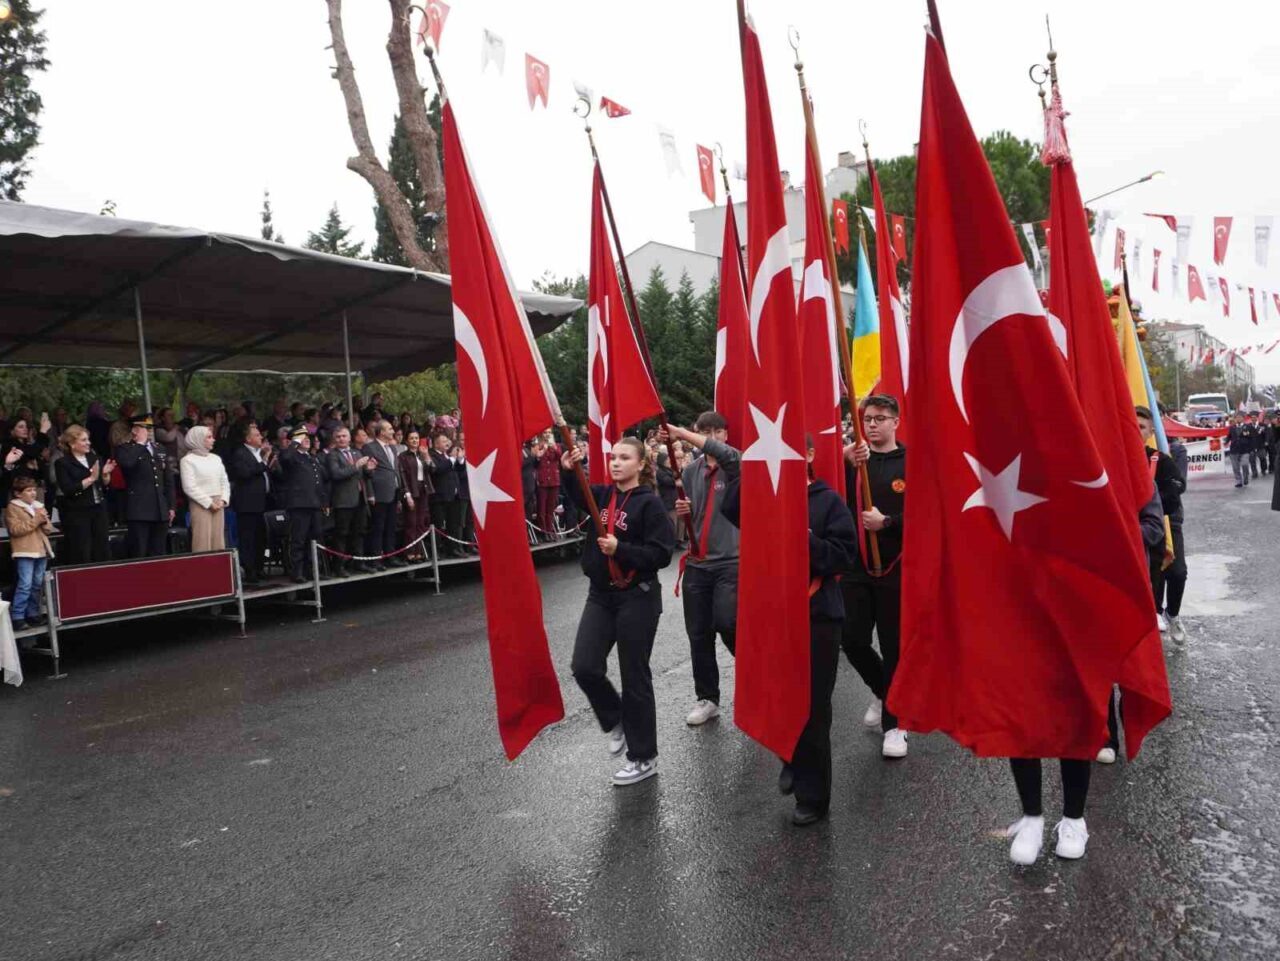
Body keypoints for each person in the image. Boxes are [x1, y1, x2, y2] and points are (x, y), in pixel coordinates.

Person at [721, 434, 856, 826]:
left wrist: (804, 540)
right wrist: (758, 463)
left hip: (816, 615)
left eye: (795, 448)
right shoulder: (765, 496)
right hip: (770, 614)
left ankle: (813, 795)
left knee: (813, 708)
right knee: (776, 696)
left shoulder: (828, 502)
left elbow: (845, 557)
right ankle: (791, 756)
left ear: (811, 455)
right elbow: (731, 505)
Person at [560, 438, 674, 786]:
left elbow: (661, 554)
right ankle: (616, 718)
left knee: (634, 677)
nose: (615, 463)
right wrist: (568, 470)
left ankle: (643, 757)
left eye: (624, 458)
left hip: (636, 596)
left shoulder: (650, 505)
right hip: (601, 595)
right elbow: (578, 494)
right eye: (612, 457)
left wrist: (620, 549)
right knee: (584, 665)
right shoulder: (602, 495)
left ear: (640, 464)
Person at [660, 414, 740, 727]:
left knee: (727, 622)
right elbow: (697, 513)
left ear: (725, 432)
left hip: (730, 560)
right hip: (697, 561)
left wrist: (680, 432)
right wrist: (687, 511)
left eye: (717, 430)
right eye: (705, 431)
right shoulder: (690, 471)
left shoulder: (735, 464)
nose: (712, 436)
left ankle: (755, 674)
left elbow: (726, 454)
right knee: (698, 633)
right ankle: (708, 697)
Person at [841, 394, 909, 758]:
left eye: (880, 418)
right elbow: (822, 490)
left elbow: (927, 515)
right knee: (851, 638)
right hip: (857, 567)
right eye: (867, 418)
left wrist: (888, 523)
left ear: (896, 422)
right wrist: (844, 461)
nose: (871, 424)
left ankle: (895, 725)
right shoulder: (854, 461)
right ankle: (885, 690)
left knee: (894, 645)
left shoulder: (909, 461)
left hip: (896, 567)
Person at [1137, 407, 1188, 644]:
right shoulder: (1114, 457)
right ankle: (1153, 618)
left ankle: (1173, 614)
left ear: (1150, 432)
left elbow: (1177, 486)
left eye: (1142, 427)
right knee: (1150, 575)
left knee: (1177, 573)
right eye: (1132, 425)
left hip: (1166, 520)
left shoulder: (1160, 459)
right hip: (1138, 526)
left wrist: (1153, 501)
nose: (1136, 431)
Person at [114, 413, 175, 558]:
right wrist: (140, 444)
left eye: (150, 428)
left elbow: (167, 479)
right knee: (140, 551)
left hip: (160, 508)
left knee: (159, 551)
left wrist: (171, 506)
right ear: (134, 430)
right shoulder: (126, 449)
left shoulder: (159, 448)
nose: (148, 431)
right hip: (139, 509)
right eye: (144, 428)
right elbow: (127, 464)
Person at [54, 425, 113, 564]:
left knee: (102, 547)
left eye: (88, 439)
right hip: (78, 511)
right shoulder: (62, 463)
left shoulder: (95, 458)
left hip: (98, 508)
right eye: (84, 440)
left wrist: (105, 475)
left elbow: (104, 484)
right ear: (72, 444)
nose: (89, 443)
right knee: (82, 549)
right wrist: (91, 478)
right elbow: (68, 489)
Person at [277, 425, 328, 583]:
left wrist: (324, 502)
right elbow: (284, 458)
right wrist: (295, 442)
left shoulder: (311, 458)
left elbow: (319, 482)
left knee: (314, 538)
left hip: (314, 504)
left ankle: (312, 569)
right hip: (299, 505)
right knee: (299, 539)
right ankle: (297, 571)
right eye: (302, 438)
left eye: (307, 438)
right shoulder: (292, 457)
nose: (307, 440)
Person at [5, 476, 55, 630]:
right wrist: (36, 520)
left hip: (40, 550)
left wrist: (44, 520)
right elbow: (15, 530)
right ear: (18, 494)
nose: (33, 493)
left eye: (34, 489)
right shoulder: (12, 508)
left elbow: (48, 530)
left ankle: (33, 614)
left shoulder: (38, 506)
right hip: (24, 551)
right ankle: (18, 616)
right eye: (28, 490)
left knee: (37, 584)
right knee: (25, 584)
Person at [227, 423, 274, 584]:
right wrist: (264, 461)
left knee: (260, 537)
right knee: (248, 538)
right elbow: (244, 473)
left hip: (261, 502)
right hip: (247, 503)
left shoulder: (257, 453)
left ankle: (259, 567)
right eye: (257, 435)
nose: (261, 437)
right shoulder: (240, 453)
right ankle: (250, 570)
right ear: (248, 438)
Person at [324, 427, 374, 576]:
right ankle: (339, 566)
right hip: (343, 501)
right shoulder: (332, 455)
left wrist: (369, 469)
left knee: (359, 531)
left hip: (359, 498)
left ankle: (359, 562)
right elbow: (336, 474)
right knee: (342, 534)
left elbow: (363, 475)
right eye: (338, 436)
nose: (341, 439)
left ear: (349, 438)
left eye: (344, 436)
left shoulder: (356, 452)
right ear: (334, 439)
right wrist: (356, 466)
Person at [362, 419, 407, 568]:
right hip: (379, 493)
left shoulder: (393, 448)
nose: (392, 431)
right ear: (381, 432)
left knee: (391, 526)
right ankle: (376, 558)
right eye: (389, 429)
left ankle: (390, 556)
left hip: (393, 492)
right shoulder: (370, 447)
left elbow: (396, 469)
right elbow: (367, 473)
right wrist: (370, 494)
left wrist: (401, 490)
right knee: (378, 526)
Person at [179, 425, 230, 553]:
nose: (213, 439)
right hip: (200, 504)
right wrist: (209, 503)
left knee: (218, 541)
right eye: (209, 437)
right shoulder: (187, 460)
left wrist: (223, 500)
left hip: (218, 503)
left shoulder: (216, 458)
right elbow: (189, 486)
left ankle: (219, 570)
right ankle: (202, 571)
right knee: (202, 542)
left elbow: (224, 481)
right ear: (198, 439)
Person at [398, 430, 433, 562]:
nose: (414, 441)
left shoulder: (422, 454)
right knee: (411, 522)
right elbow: (402, 476)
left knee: (420, 523)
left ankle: (418, 552)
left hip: (423, 490)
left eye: (416, 438)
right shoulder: (402, 456)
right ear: (406, 441)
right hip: (411, 491)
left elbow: (432, 470)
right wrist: (407, 494)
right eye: (411, 438)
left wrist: (427, 457)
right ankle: (409, 552)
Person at [427, 431, 464, 557]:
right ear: (436, 444)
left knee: (453, 523)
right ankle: (437, 551)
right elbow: (438, 469)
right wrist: (452, 459)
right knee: (438, 525)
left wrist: (459, 459)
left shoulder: (447, 456)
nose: (447, 443)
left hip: (453, 495)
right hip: (440, 496)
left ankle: (453, 549)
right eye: (443, 441)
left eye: (447, 441)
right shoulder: (432, 455)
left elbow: (458, 470)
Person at [536, 431, 562, 539]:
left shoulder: (556, 446)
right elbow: (537, 458)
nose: (547, 434)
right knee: (542, 508)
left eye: (549, 432)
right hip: (543, 481)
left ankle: (550, 530)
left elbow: (559, 456)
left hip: (553, 480)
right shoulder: (539, 446)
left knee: (550, 508)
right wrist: (544, 448)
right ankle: (543, 531)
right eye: (545, 433)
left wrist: (553, 446)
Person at [1226, 414, 1254, 488]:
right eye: (1237, 417)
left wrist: (1252, 449)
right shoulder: (1232, 427)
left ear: (1243, 418)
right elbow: (1229, 437)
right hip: (1234, 450)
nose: (1238, 419)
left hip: (1245, 450)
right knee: (1235, 467)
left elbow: (1252, 438)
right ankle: (1238, 481)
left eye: (1240, 417)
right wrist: (1225, 442)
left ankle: (1246, 477)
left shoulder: (1248, 427)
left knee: (1245, 464)